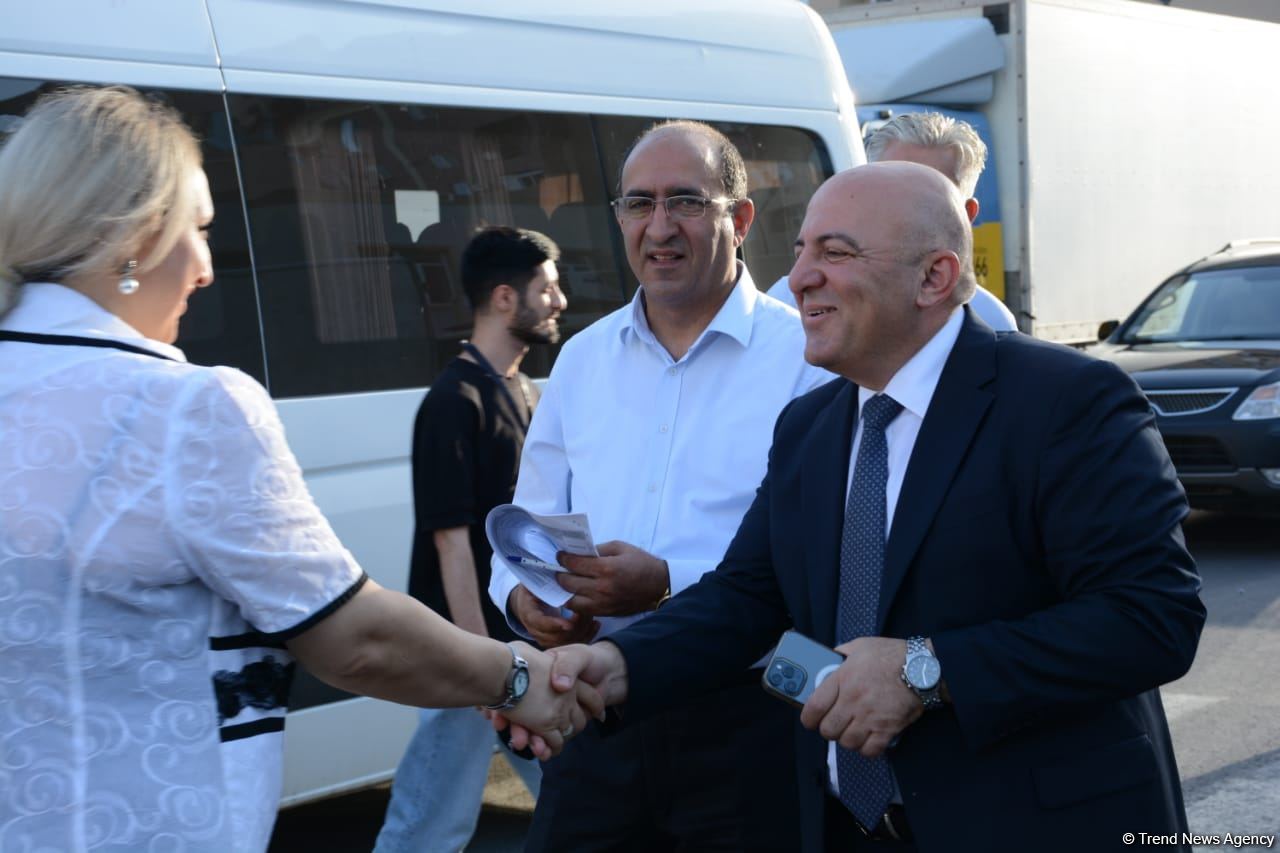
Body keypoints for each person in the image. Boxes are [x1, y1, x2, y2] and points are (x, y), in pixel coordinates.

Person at [535, 161, 1205, 852]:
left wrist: (926, 671)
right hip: (846, 829)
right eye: (801, 251)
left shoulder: (1064, 400)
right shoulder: (810, 426)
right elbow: (745, 599)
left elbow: (1152, 615)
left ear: (934, 277)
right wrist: (613, 666)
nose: (799, 277)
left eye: (835, 252)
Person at [0, 86, 598, 853]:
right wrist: (517, 677)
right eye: (200, 230)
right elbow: (355, 639)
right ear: (137, 236)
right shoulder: (186, 409)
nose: (207, 269)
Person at [487, 120, 831, 851]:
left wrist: (668, 583)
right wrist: (526, 601)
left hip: (749, 717)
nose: (661, 226)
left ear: (741, 219)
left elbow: (822, 559)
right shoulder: (583, 358)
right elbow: (527, 524)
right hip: (593, 713)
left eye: (686, 202)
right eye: (640, 204)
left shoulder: (808, 358)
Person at [373, 226, 567, 852]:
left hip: (509, 651)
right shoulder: (453, 401)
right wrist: (482, 663)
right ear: (505, 298)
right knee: (428, 824)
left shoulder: (522, 390)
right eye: (547, 288)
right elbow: (450, 543)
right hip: (463, 653)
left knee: (572, 796)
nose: (560, 301)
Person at [768, 111, 1017, 332]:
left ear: (967, 215)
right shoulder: (790, 304)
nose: (901, 205)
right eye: (887, 188)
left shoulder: (991, 322)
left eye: (925, 196)